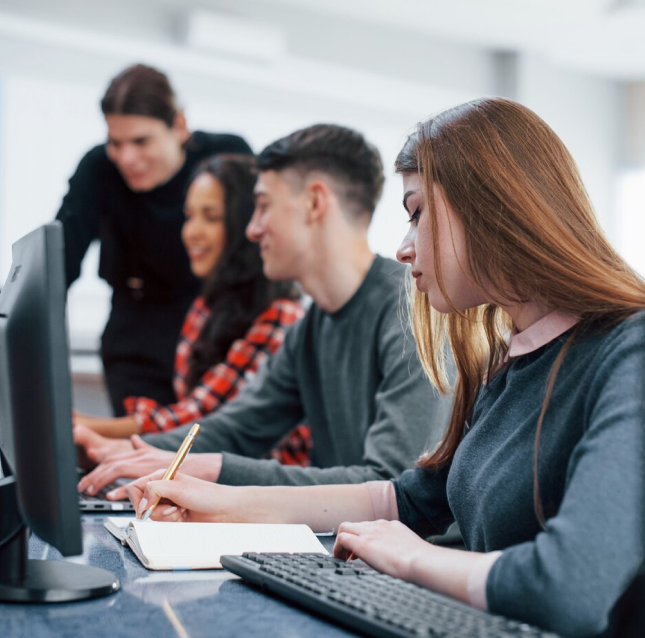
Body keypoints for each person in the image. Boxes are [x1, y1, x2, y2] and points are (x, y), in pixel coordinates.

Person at [121, 99, 645, 637]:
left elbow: (571, 587)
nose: (402, 246)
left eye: (417, 213)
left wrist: (411, 559)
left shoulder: (631, 351)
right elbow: (405, 499)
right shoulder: (514, 360)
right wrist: (225, 504)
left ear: (493, 207)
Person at [75, 123, 450, 496]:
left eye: (264, 206)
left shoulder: (412, 308)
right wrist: (124, 451)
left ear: (315, 203)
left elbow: (391, 484)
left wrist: (215, 468)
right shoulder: (310, 329)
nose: (252, 230)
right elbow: (236, 428)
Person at [74, 154, 309, 464]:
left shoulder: (281, 316)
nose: (191, 232)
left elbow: (202, 419)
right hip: (210, 475)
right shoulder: (204, 307)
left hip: (266, 493)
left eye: (210, 217)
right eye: (189, 216)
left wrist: (82, 427)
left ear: (245, 225)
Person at [56, 64, 252, 415]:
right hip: (134, 336)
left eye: (141, 141)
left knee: (202, 447)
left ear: (178, 125)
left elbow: (256, 252)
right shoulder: (99, 168)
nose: (127, 158)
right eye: (116, 143)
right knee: (142, 451)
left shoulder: (225, 158)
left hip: (213, 330)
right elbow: (56, 267)